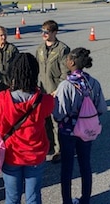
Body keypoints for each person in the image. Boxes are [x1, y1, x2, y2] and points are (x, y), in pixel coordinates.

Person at [0, 53, 54, 204]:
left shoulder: (2, 98)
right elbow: (50, 111)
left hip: (11, 154)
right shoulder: (44, 100)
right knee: (33, 197)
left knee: (12, 197)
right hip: (35, 154)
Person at [53, 47, 107, 204]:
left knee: (67, 168)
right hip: (87, 130)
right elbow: (101, 108)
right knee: (85, 164)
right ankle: (85, 198)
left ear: (72, 62)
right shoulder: (93, 83)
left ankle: (67, 201)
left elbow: (59, 114)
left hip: (68, 132)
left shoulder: (66, 85)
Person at [36, 20, 70, 163]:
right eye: (42, 31)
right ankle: (49, 145)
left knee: (57, 122)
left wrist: (58, 90)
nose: (44, 34)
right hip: (42, 91)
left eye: (47, 31)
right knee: (45, 121)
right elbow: (37, 70)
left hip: (55, 91)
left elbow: (66, 73)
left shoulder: (63, 49)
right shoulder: (40, 49)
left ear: (55, 32)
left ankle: (59, 150)